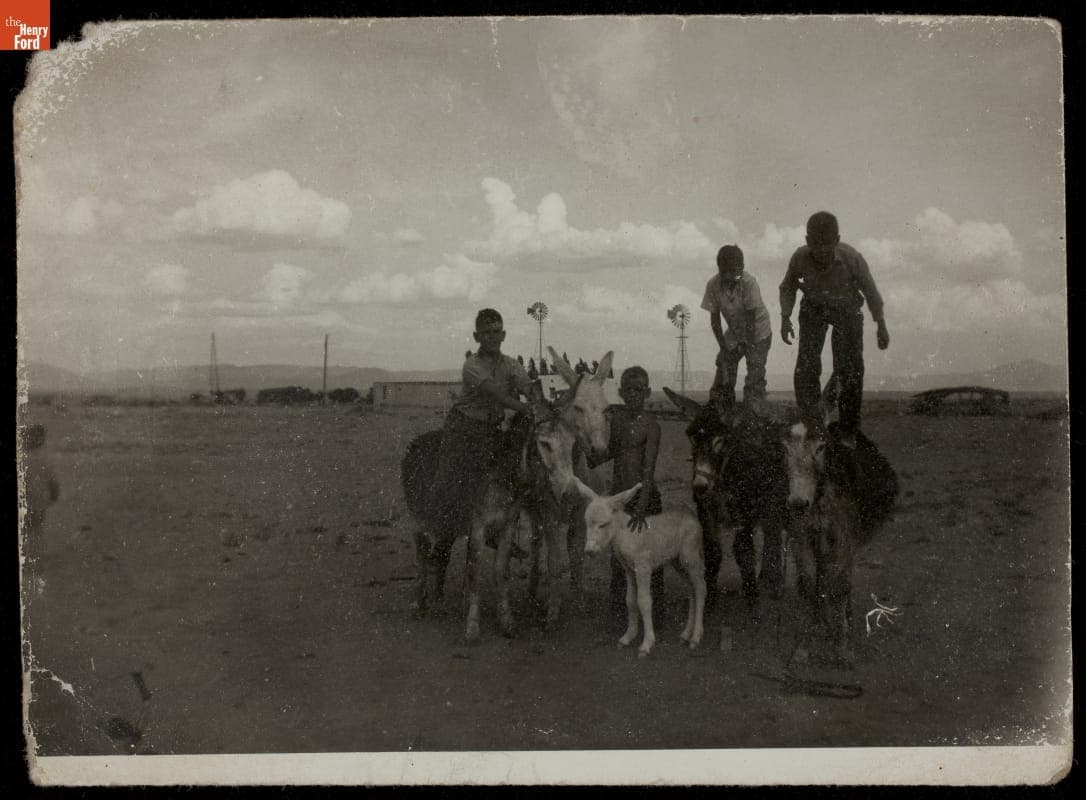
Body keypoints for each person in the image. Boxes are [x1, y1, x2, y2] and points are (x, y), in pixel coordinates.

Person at [779, 211, 890, 444]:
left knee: (850, 368)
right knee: (806, 367)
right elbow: (788, 286)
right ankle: (813, 425)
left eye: (826, 245)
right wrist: (785, 317)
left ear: (837, 240)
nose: (820, 251)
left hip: (847, 310)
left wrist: (880, 324)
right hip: (814, 309)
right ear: (807, 241)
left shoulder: (852, 259)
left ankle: (849, 430)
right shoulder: (799, 257)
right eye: (815, 245)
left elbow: (871, 292)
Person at [429, 309, 536, 535]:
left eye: (496, 331)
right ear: (477, 337)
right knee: (450, 479)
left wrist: (539, 401)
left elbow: (528, 388)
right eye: (486, 332)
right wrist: (529, 408)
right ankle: (441, 530)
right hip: (464, 428)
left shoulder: (512, 364)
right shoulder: (472, 366)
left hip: (492, 429)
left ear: (504, 334)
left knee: (516, 475)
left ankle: (500, 532)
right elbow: (498, 395)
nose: (492, 337)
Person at [585, 366, 663, 613]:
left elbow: (648, 470)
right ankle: (619, 611)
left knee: (649, 557)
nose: (633, 396)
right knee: (619, 556)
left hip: (645, 500)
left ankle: (654, 613)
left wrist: (640, 508)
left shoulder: (651, 425)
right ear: (620, 393)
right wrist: (588, 453)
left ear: (648, 392)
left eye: (639, 390)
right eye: (628, 391)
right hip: (619, 501)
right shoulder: (617, 421)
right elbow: (610, 453)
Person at [701, 244, 774, 407]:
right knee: (723, 368)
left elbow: (751, 321)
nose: (728, 277)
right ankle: (719, 409)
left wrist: (745, 344)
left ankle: (754, 412)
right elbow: (715, 321)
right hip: (734, 332)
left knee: (754, 376)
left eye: (733, 272)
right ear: (719, 268)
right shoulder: (712, 285)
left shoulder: (750, 283)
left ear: (741, 268)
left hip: (758, 332)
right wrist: (723, 348)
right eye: (724, 272)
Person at [21, 423, 60, 532]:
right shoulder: (44, 459)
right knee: (36, 531)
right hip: (38, 503)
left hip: (24, 502)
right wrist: (54, 495)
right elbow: (53, 482)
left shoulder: (22, 458)